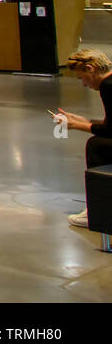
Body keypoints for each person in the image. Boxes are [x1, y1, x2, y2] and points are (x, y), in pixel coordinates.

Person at [57, 49, 112, 228]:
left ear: (90, 69)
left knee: (96, 145)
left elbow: (110, 129)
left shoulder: (107, 85)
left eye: (82, 78)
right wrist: (85, 121)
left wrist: (77, 126)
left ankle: (98, 208)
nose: (84, 84)